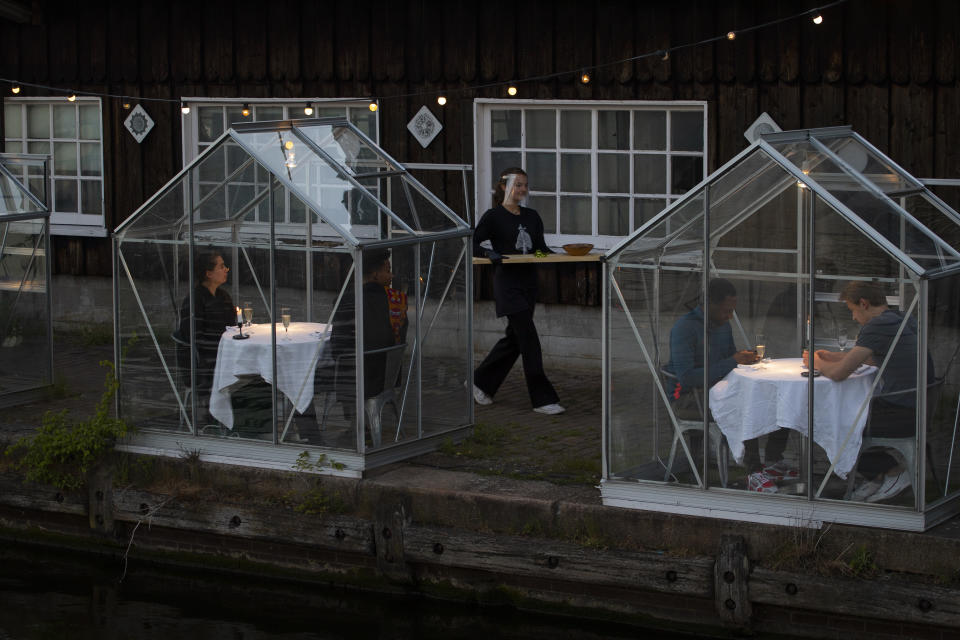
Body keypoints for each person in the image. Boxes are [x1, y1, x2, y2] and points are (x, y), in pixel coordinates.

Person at [805, 281, 934, 503]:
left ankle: (891, 472)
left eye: (853, 311)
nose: (854, 318)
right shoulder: (900, 318)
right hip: (921, 406)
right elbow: (873, 357)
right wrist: (833, 356)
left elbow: (838, 375)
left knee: (830, 421)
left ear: (863, 304)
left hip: (901, 413)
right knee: (843, 416)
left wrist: (814, 362)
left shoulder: (877, 326)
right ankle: (878, 477)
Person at [472, 168, 564, 415]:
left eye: (525, 185)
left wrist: (557, 257)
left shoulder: (532, 216)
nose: (523, 190)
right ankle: (542, 399)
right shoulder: (493, 216)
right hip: (508, 285)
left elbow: (540, 249)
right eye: (518, 185)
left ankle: (479, 382)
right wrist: (488, 253)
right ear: (504, 187)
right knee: (529, 341)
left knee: (515, 339)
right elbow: (472, 242)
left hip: (528, 284)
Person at [664, 278, 772, 489]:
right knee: (745, 407)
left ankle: (774, 462)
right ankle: (754, 472)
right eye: (726, 311)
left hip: (717, 390)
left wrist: (744, 359)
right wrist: (733, 361)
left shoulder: (723, 325)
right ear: (709, 305)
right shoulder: (684, 329)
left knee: (766, 397)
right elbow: (687, 377)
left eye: (732, 311)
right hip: (688, 397)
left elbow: (728, 360)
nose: (730, 316)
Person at [320, 250, 407, 439]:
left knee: (330, 366)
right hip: (388, 375)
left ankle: (318, 429)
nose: (392, 276)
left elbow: (337, 347)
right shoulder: (397, 301)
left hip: (358, 377)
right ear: (375, 274)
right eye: (388, 270)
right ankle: (361, 426)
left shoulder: (346, 300)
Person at [177, 250, 235, 422]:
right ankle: (219, 420)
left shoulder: (223, 296)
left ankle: (248, 423)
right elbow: (195, 338)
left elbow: (230, 328)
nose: (226, 269)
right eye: (222, 266)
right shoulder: (195, 300)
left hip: (222, 356)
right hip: (203, 362)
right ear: (208, 273)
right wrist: (223, 349)